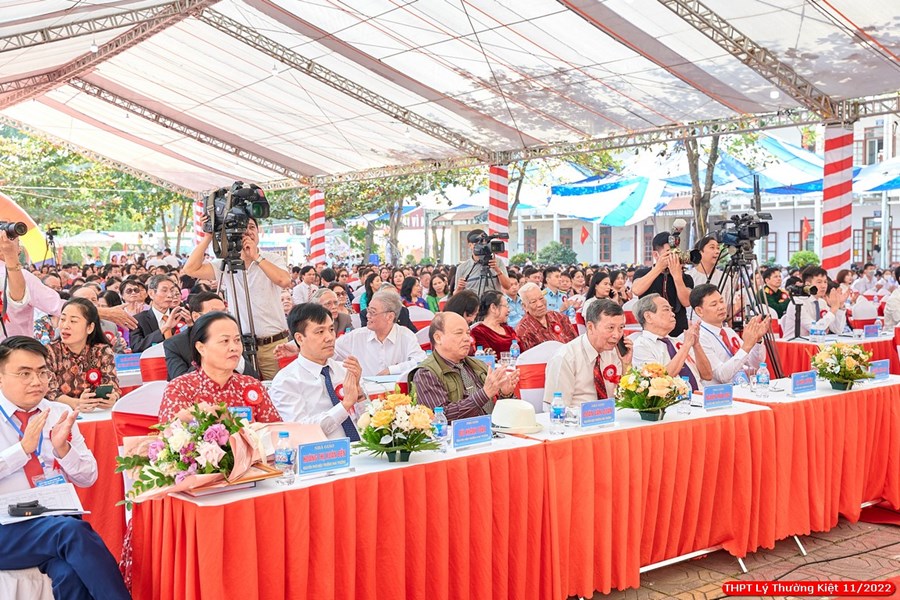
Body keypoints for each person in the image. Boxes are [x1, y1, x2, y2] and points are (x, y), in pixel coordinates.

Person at [0, 336, 131, 599]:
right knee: (71, 532)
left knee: (69, 573)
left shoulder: (58, 412)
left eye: (42, 372)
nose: (36, 381)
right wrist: (22, 450)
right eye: (24, 374)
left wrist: (63, 449)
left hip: (54, 519)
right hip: (7, 528)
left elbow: (88, 477)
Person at [182, 214, 293, 381]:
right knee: (244, 391)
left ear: (258, 232)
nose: (247, 232)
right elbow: (191, 269)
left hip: (274, 345)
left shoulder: (272, 259)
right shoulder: (227, 263)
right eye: (242, 229)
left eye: (252, 228)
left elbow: (284, 281)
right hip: (240, 346)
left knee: (277, 390)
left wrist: (256, 257)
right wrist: (208, 236)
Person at [159, 312, 281, 423]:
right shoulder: (180, 388)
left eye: (237, 340)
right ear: (201, 348)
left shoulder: (250, 385)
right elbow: (170, 434)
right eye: (225, 341)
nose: (234, 347)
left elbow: (276, 429)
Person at [269, 303, 364, 438]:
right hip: (322, 449)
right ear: (300, 338)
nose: (330, 337)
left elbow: (370, 420)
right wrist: (345, 405)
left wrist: (359, 395)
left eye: (331, 329)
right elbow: (300, 431)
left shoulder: (344, 369)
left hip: (364, 446)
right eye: (320, 332)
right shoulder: (286, 381)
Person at [409, 312, 518, 421]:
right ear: (438, 338)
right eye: (459, 333)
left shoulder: (478, 364)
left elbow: (501, 414)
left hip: (493, 428)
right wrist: (484, 394)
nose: (467, 339)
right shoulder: (426, 374)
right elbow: (440, 417)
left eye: (468, 333)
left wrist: (505, 394)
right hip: (464, 431)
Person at [543, 299, 633, 407]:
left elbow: (628, 399)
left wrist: (626, 364)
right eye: (610, 328)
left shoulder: (616, 352)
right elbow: (555, 408)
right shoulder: (565, 357)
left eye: (621, 328)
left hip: (614, 414)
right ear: (590, 327)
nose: (617, 335)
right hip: (577, 415)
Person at [45, 298, 120, 411]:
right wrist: (76, 403)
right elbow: (48, 392)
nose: (65, 326)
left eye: (73, 321)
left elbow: (112, 385)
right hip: (61, 413)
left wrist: (112, 397)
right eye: (63, 319)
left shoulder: (102, 351)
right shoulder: (49, 352)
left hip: (96, 413)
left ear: (90, 327)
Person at [163, 291, 258, 380]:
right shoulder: (174, 344)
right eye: (215, 314)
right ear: (196, 316)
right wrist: (210, 356)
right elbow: (180, 382)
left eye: (224, 313)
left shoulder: (233, 338)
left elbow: (253, 377)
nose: (222, 318)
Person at [631, 294, 712, 391]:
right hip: (674, 399)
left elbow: (707, 375)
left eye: (671, 310)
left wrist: (696, 344)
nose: (673, 314)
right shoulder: (641, 346)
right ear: (648, 317)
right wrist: (686, 346)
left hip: (700, 395)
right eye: (666, 310)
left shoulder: (678, 341)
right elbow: (659, 381)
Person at [334, 290, 425, 377]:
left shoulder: (406, 336)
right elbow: (331, 352)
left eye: (372, 312)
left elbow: (420, 361)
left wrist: (392, 370)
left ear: (390, 317)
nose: (367, 316)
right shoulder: (356, 337)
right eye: (368, 311)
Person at [691, 284, 768, 385]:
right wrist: (747, 346)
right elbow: (721, 376)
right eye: (714, 304)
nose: (721, 307)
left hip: (741, 387)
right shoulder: (700, 337)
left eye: (721, 301)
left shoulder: (729, 332)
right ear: (699, 311)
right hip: (720, 392)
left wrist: (757, 341)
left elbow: (755, 364)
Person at [631, 232, 694, 337]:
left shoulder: (685, 278)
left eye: (676, 252)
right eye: (669, 253)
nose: (674, 256)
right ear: (656, 255)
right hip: (652, 334)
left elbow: (687, 302)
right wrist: (659, 268)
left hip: (679, 333)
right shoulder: (642, 273)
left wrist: (677, 276)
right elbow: (636, 290)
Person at [128, 274, 191, 353]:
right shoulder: (138, 320)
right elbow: (136, 347)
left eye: (172, 290)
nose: (170, 295)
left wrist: (191, 326)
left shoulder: (182, 316)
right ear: (151, 293)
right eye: (164, 290)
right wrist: (165, 328)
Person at [780, 267, 848, 338]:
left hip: (815, 342)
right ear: (808, 284)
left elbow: (838, 330)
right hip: (795, 343)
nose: (823, 286)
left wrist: (840, 306)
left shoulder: (822, 302)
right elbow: (815, 329)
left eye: (825, 282)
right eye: (819, 282)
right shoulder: (798, 302)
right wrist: (833, 309)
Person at [515, 282, 577, 351]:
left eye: (541, 298)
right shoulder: (523, 332)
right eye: (533, 302)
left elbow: (575, 344)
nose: (540, 304)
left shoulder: (559, 317)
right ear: (524, 306)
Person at [454, 229, 511, 297]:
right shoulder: (462, 268)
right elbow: (456, 296)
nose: (482, 246)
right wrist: (459, 288)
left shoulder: (497, 262)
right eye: (478, 243)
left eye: (484, 243)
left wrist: (497, 270)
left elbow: (508, 286)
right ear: (470, 245)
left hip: (494, 302)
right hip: (475, 303)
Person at [470, 291, 517, 355]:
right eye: (506, 306)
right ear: (493, 308)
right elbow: (487, 357)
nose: (509, 310)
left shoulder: (509, 330)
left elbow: (522, 353)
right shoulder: (478, 332)